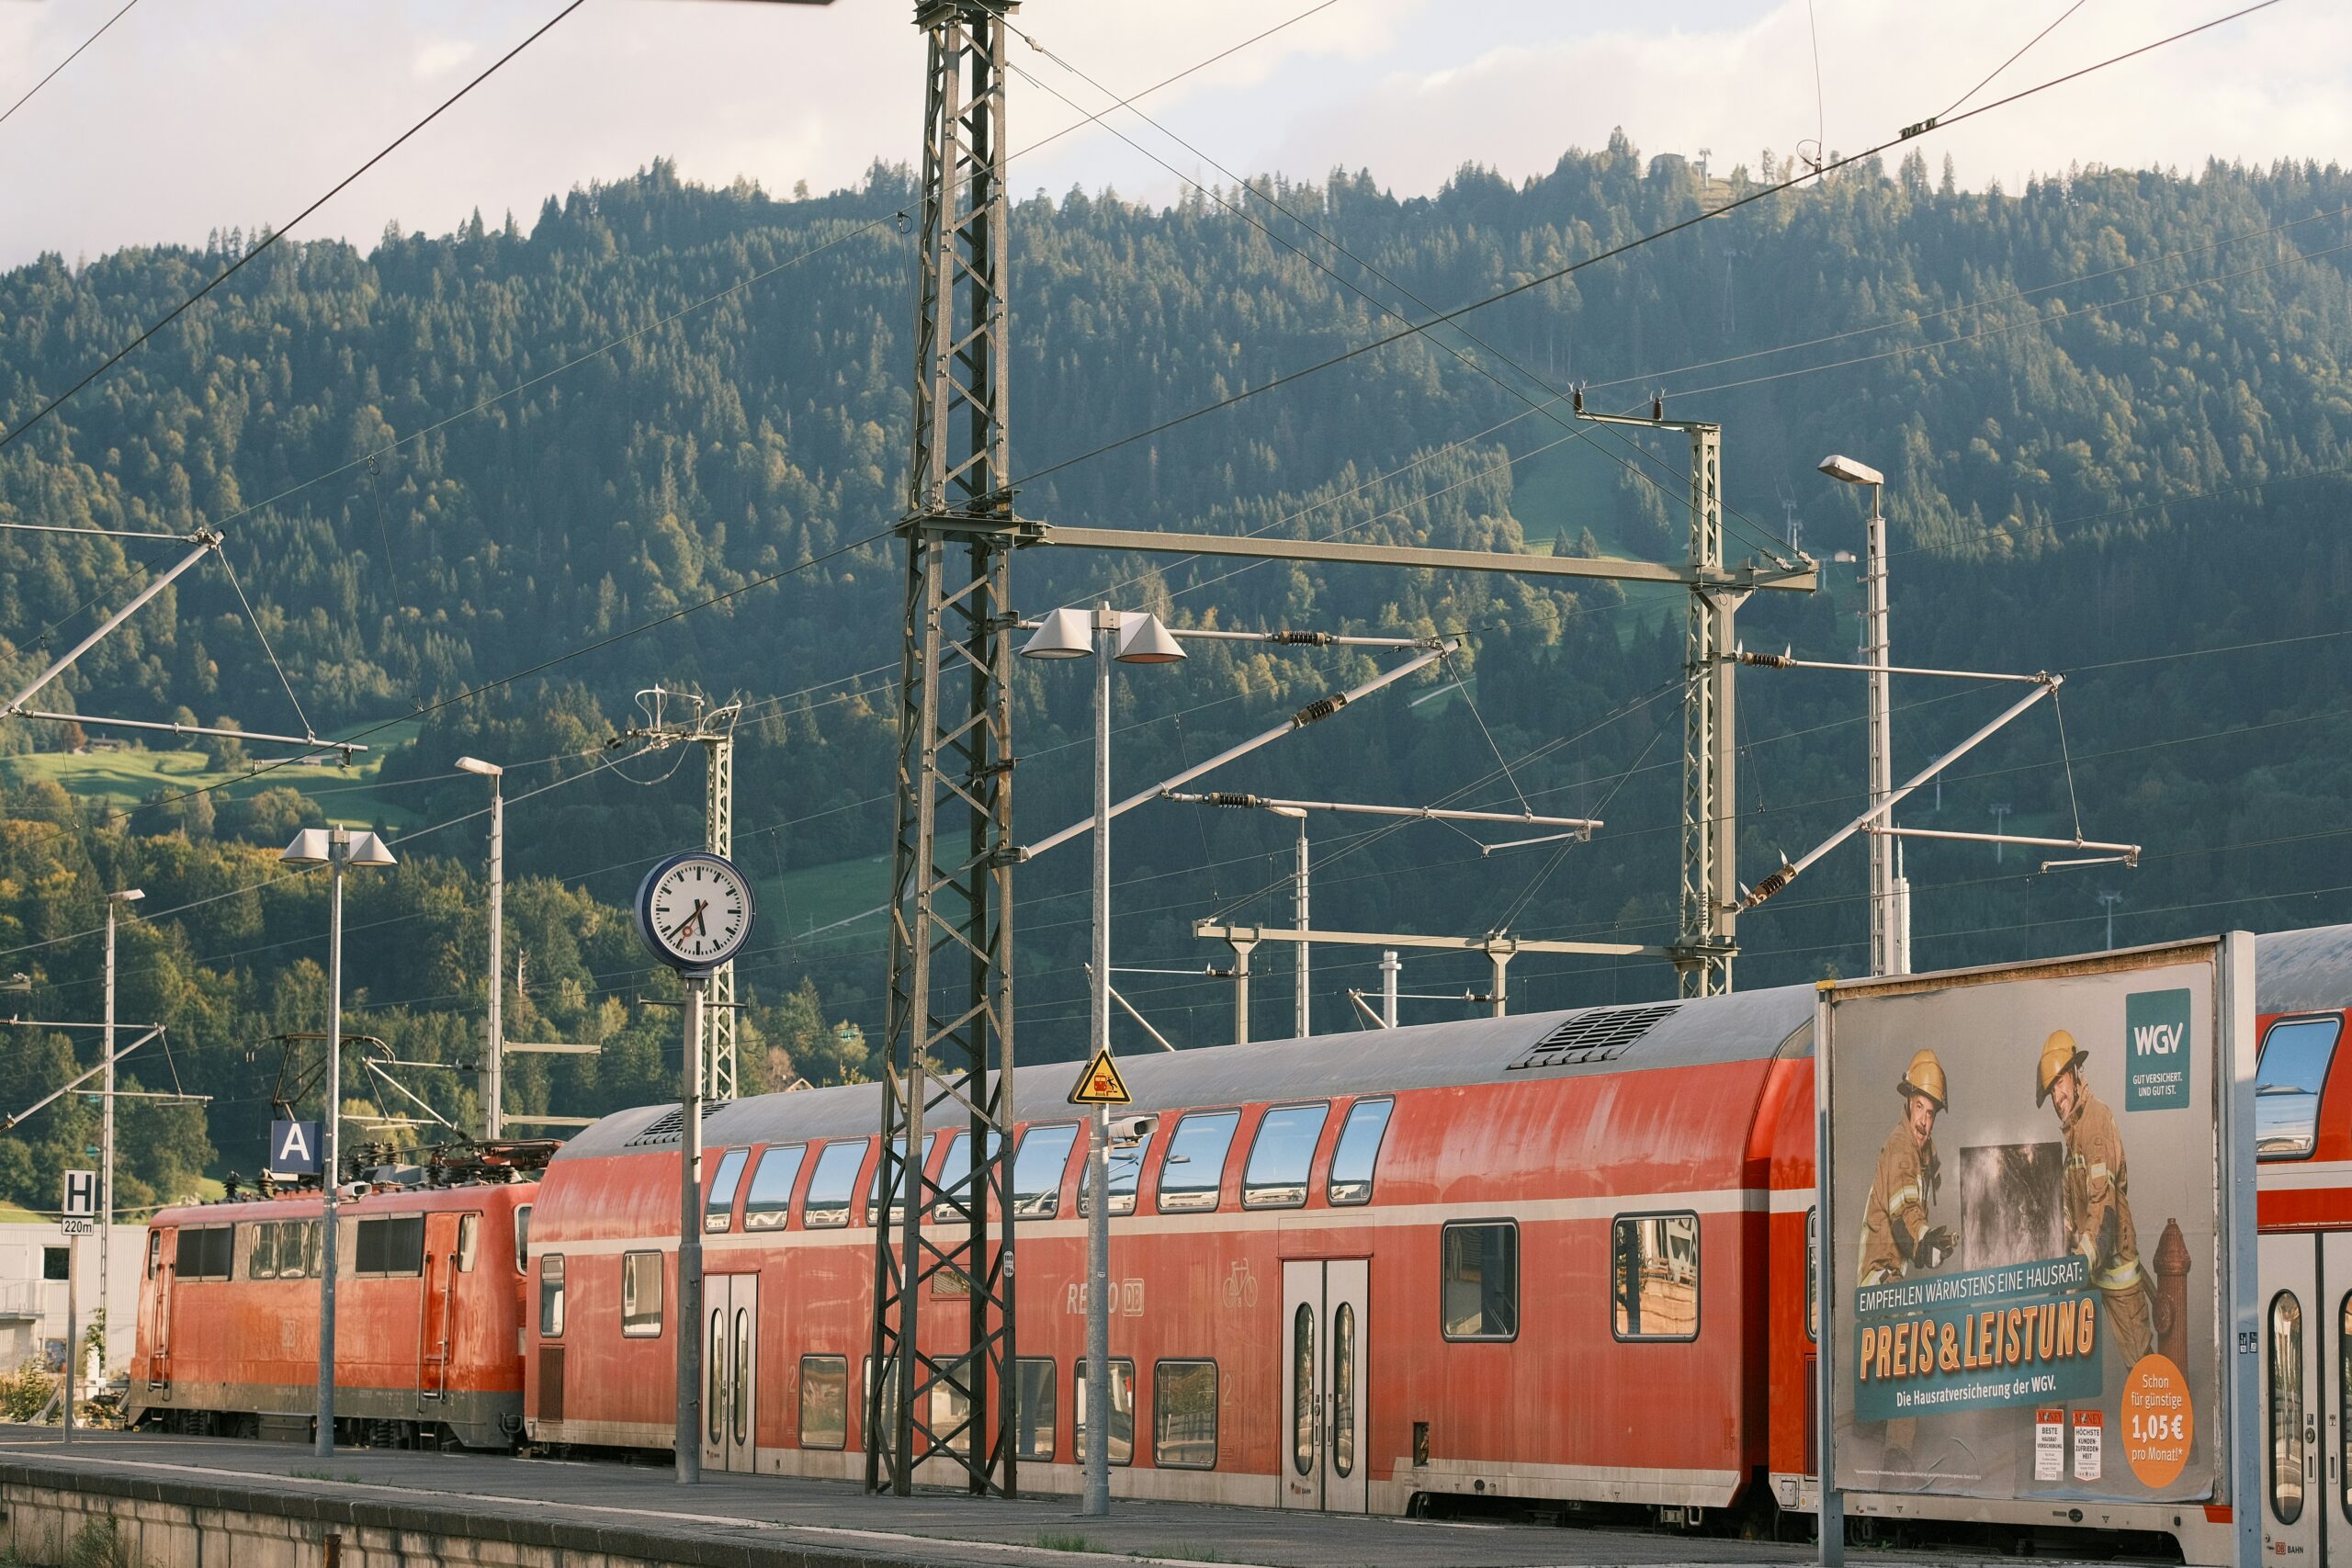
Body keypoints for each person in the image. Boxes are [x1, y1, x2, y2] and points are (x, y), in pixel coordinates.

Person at [2036, 1030, 2154, 1368]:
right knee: (2055, 1356)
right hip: (2086, 1261)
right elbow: (2074, 1200)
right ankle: (2052, 1420)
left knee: (2142, 1369)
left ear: (2075, 1075)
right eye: (2052, 1089)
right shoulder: (2074, 1131)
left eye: (2060, 1083)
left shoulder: (2095, 1121)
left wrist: (2079, 1265)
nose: (2057, 1096)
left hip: (2114, 1262)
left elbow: (2103, 1206)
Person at [1859, 1048, 1958, 1287]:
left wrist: (1933, 1240)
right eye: (1919, 1107)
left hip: (1889, 1277)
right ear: (1908, 1103)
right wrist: (1923, 1241)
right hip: (1880, 1281)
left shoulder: (1921, 1154)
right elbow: (1904, 1212)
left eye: (1931, 1113)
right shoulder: (1902, 1147)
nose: (1924, 1121)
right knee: (1923, 1325)